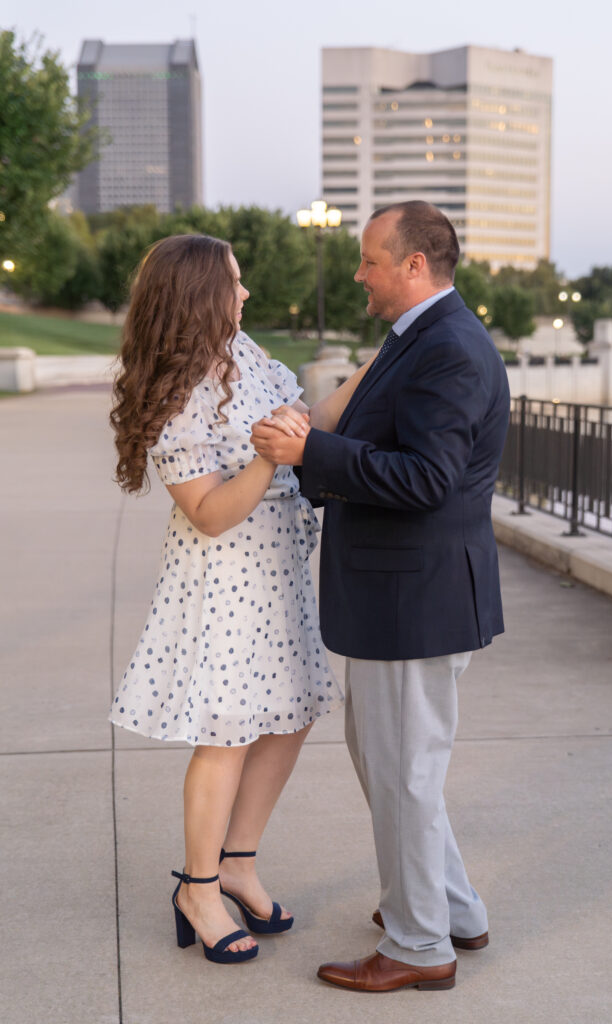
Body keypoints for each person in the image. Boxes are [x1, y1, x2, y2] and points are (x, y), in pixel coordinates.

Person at [251, 201, 510, 992]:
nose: (357, 273)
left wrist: (312, 452)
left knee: (402, 775)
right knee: (399, 771)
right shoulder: (419, 338)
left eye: (368, 260)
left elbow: (429, 481)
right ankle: (453, 911)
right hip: (401, 596)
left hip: (415, 601)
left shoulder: (450, 351)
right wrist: (319, 446)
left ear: (413, 266)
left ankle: (418, 946)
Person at [108, 234, 375, 965]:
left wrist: (370, 369)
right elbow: (211, 512)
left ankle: (238, 864)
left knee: (286, 720)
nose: (246, 292)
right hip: (221, 583)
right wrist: (267, 455)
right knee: (226, 733)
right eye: (233, 281)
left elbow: (305, 425)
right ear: (197, 294)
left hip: (278, 572)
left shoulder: (248, 354)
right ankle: (196, 888)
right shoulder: (173, 389)